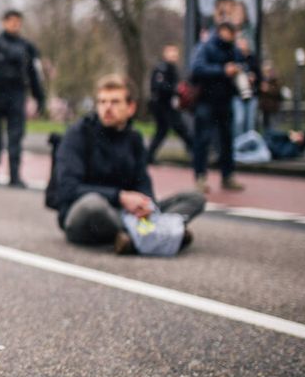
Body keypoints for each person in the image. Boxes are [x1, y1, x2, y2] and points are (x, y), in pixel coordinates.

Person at [54, 75, 205, 254]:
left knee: (195, 198)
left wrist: (147, 205)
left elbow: (142, 180)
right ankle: (161, 234)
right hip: (87, 215)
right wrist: (120, 197)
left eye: (115, 102)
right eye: (102, 102)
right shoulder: (78, 134)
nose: (107, 108)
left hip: (128, 213)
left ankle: (137, 237)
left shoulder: (134, 138)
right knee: (92, 205)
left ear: (131, 107)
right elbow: (67, 189)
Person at [0, 10, 45, 187]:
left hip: (17, 95)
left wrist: (39, 97)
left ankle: (14, 175)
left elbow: (34, 74)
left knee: (16, 136)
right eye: (11, 21)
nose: (14, 24)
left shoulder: (27, 47)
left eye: (17, 21)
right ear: (4, 22)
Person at [190, 22, 245, 193]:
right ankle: (200, 177)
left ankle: (227, 176)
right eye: (230, 32)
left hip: (226, 101)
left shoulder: (234, 50)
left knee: (227, 140)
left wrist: (244, 74)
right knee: (203, 140)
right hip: (206, 101)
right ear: (221, 31)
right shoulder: (206, 47)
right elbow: (196, 69)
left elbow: (244, 65)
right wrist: (222, 70)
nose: (232, 36)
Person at [146, 44, 192, 164]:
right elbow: (158, 86)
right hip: (162, 106)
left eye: (175, 53)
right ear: (165, 53)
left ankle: (149, 155)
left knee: (170, 130)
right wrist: (175, 89)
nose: (173, 56)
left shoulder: (173, 69)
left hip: (170, 106)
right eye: (171, 52)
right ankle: (195, 152)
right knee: (176, 129)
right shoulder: (161, 68)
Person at [231, 37, 260, 136]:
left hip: (251, 94)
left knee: (250, 123)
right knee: (239, 120)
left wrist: (254, 78)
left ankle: (249, 146)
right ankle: (238, 145)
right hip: (237, 95)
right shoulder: (233, 58)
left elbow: (260, 76)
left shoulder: (252, 58)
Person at [258, 61, 283, 131]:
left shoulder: (275, 80)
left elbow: (278, 92)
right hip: (265, 109)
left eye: (269, 71)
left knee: (274, 128)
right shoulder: (262, 80)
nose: (267, 73)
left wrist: (268, 89)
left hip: (273, 108)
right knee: (266, 128)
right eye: (266, 71)